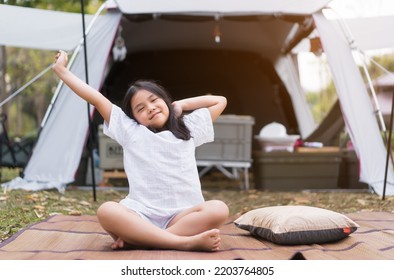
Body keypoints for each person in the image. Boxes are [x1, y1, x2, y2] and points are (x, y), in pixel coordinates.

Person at [52, 50, 229, 252]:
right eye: (141, 108)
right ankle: (182, 242)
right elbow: (96, 99)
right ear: (134, 118)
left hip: (183, 216)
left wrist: (182, 104)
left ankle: (145, 240)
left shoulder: (188, 127)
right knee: (106, 211)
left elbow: (220, 101)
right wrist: (61, 71)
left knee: (219, 209)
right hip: (141, 215)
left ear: (165, 100)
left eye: (154, 100)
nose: (151, 108)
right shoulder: (131, 131)